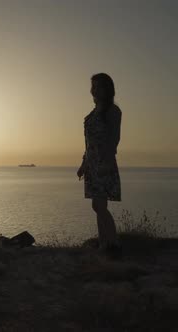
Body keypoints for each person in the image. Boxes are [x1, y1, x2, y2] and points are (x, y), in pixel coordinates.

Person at [77, 73, 122, 257]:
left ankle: (113, 244)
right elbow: (88, 145)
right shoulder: (91, 115)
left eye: (98, 86)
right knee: (97, 205)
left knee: (100, 206)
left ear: (107, 89)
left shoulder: (112, 111)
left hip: (104, 163)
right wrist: (83, 164)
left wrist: (107, 162)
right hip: (92, 164)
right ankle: (104, 243)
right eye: (93, 86)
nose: (94, 90)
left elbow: (114, 140)